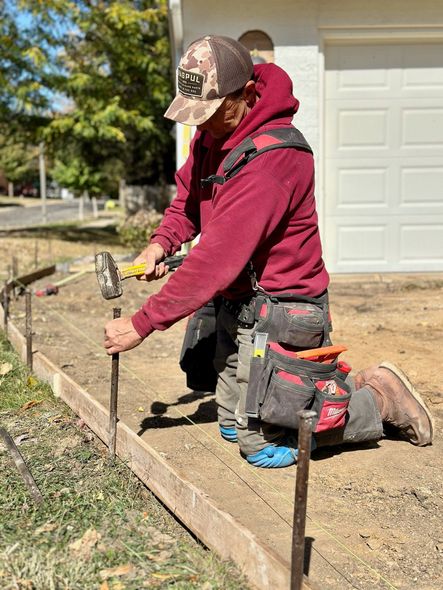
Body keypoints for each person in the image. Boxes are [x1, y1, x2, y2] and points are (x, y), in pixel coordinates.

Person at [104, 35, 433, 468]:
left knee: (261, 447)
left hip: (285, 306)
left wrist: (143, 323)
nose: (199, 125)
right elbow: (188, 199)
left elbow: (216, 259)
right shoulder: (211, 135)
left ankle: (379, 400)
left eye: (210, 112)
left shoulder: (274, 157)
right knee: (228, 425)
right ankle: (311, 389)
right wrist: (160, 242)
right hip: (239, 301)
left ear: (245, 94)